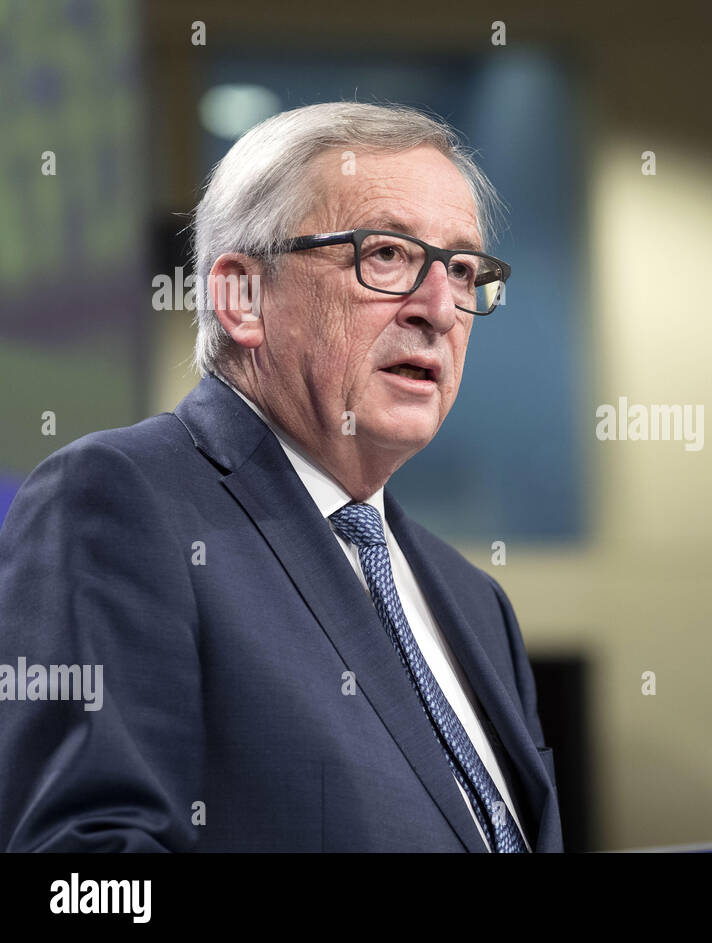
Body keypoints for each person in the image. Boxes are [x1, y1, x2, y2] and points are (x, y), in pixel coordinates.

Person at [0, 102, 561, 852]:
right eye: (387, 253)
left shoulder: (475, 601)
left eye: (462, 269)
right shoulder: (118, 501)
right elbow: (83, 874)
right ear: (242, 297)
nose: (438, 308)